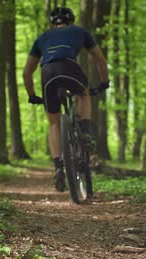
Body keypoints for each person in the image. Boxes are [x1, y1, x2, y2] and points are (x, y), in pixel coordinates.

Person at [22, 6, 109, 192]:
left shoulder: (42, 38)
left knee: (54, 123)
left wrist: (32, 96)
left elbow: (26, 74)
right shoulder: (80, 31)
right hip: (70, 68)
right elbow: (100, 61)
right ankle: (84, 132)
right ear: (71, 20)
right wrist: (104, 82)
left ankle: (58, 167)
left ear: (53, 23)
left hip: (47, 74)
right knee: (84, 94)